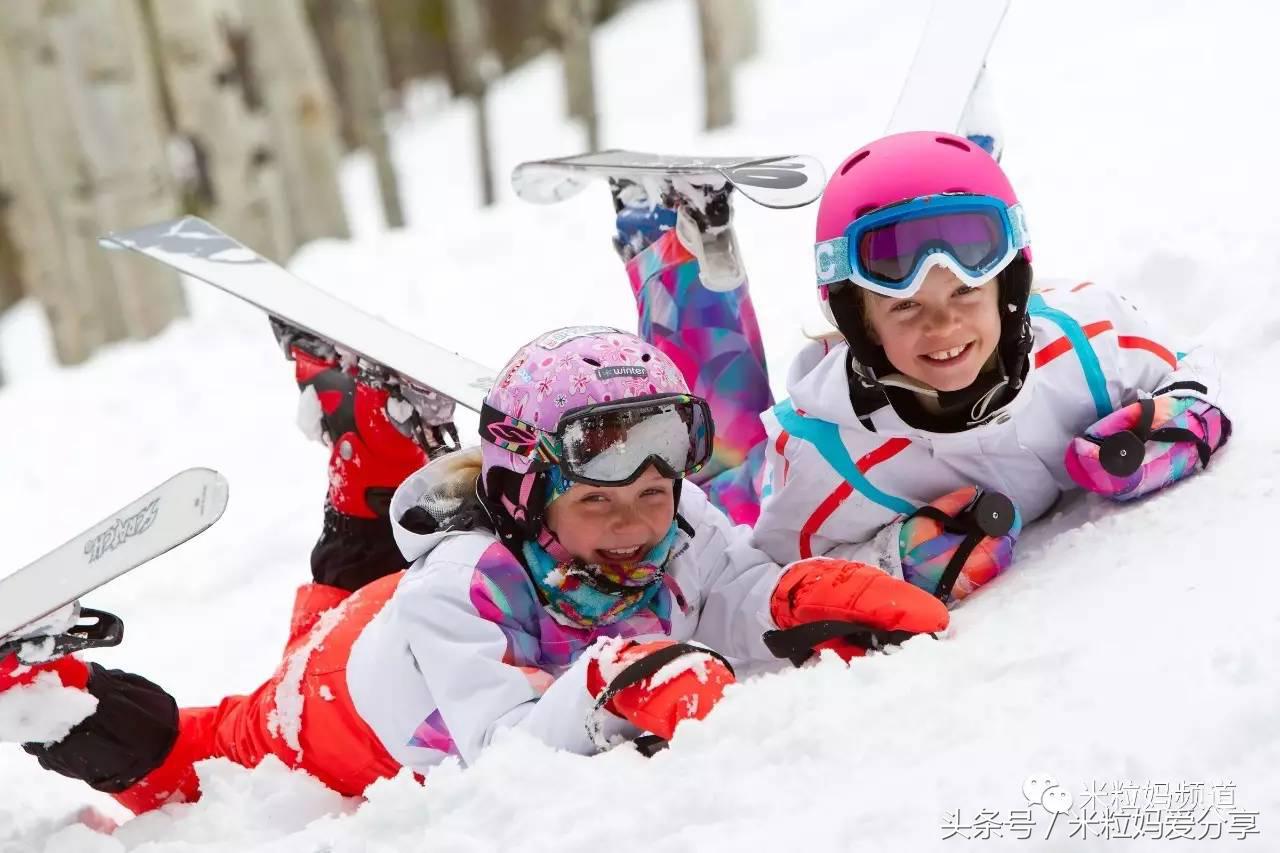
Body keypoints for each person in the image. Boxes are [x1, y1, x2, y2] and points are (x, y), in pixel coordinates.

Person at [0, 327, 949, 814]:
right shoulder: (466, 590)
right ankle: (41, 688)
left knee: (357, 584)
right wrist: (616, 679)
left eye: (653, 498)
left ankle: (366, 428)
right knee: (204, 755)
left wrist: (789, 598)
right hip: (329, 709)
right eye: (599, 504)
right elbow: (505, 746)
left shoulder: (674, 516)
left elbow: (726, 588)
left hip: (382, 618)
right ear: (531, 494)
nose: (635, 528)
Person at [613, 131, 1232, 604]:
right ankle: (668, 234)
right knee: (715, 457)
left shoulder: (1089, 342)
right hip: (771, 478)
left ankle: (953, 163)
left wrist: (1164, 430)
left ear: (1009, 287)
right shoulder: (828, 465)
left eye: (966, 293)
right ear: (859, 318)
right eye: (906, 307)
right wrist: (897, 557)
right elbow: (766, 582)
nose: (943, 327)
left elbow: (1192, 374)